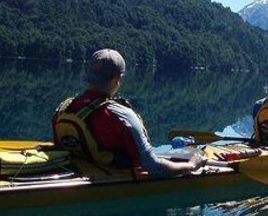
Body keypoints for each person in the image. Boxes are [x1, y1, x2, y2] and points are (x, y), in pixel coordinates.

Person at [53, 49, 205, 177]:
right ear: (118, 78)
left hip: (79, 171)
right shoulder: (121, 115)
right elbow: (153, 167)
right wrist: (192, 165)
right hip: (116, 181)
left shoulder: (63, 108)